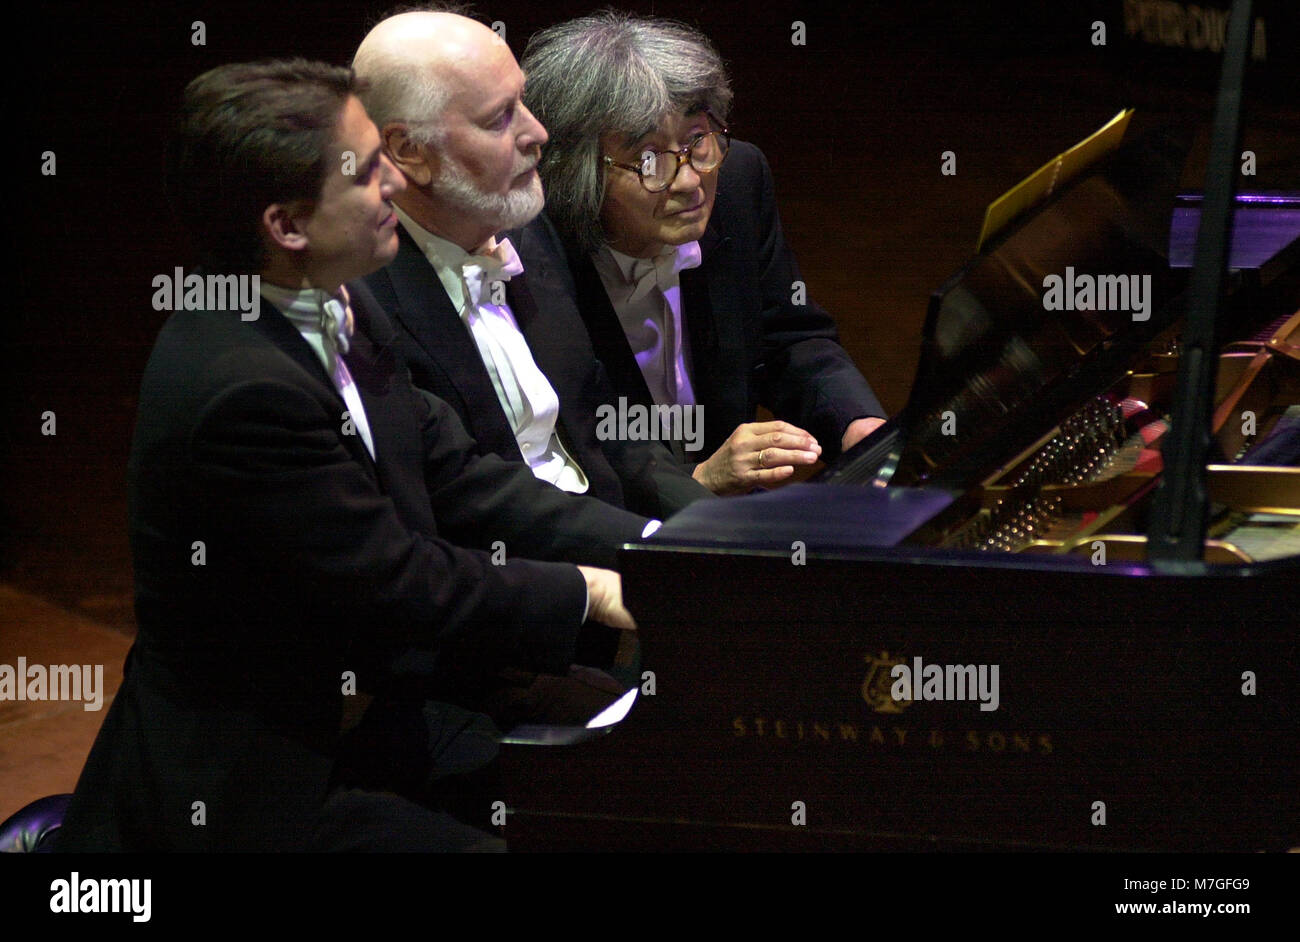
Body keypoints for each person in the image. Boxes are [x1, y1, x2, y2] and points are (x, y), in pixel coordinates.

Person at [58, 59, 651, 852]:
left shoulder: (341, 296)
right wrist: (587, 592)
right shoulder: (243, 389)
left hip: (388, 708)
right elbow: (399, 580)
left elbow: (458, 473)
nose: (396, 189)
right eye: (369, 173)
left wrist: (660, 552)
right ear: (287, 225)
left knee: (639, 786)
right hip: (270, 777)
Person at [353, 11, 713, 519]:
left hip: (611, 541)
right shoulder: (361, 300)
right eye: (499, 118)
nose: (538, 133)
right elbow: (473, 502)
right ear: (408, 150)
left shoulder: (525, 226)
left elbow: (605, 430)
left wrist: (714, 523)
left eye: (522, 101)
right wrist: (653, 548)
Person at [521, 12, 888, 496]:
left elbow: (790, 337)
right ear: (580, 169)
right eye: (649, 159)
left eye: (697, 141)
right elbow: (562, 459)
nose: (691, 181)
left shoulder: (738, 182)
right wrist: (699, 483)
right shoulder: (533, 255)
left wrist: (857, 423)